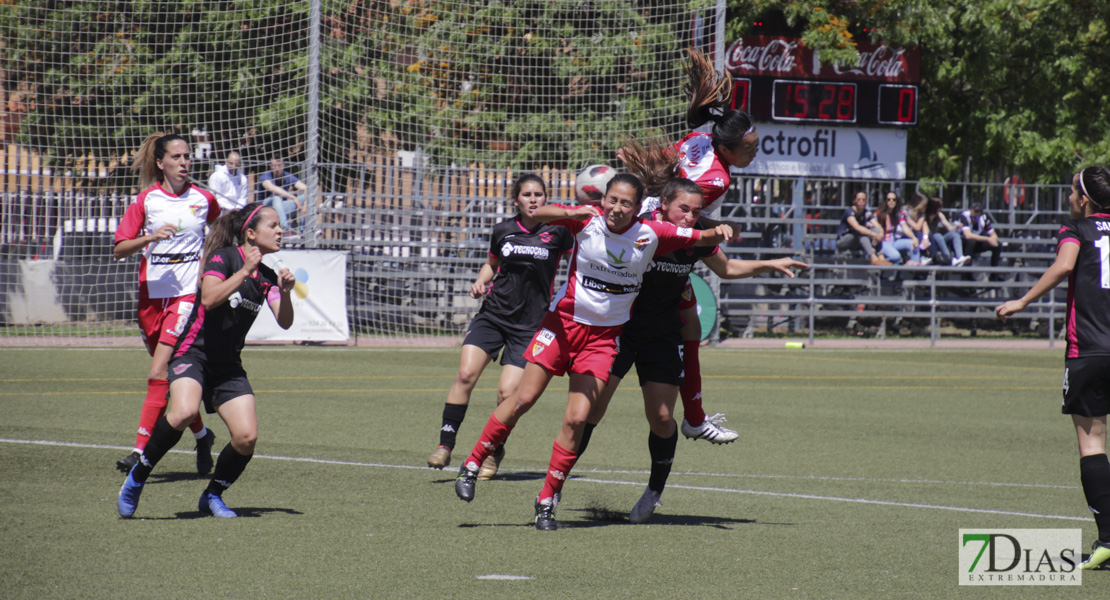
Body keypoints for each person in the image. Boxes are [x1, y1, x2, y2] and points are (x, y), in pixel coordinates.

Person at [452, 174, 733, 530]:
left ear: (637, 207)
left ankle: (545, 502)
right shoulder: (586, 221)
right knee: (523, 398)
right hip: (561, 327)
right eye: (611, 200)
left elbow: (699, 236)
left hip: (601, 341)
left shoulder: (652, 234)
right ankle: (473, 462)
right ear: (603, 199)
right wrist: (578, 209)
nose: (616, 208)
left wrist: (720, 230)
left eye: (625, 203)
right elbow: (541, 213)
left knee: (577, 418)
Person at [579, 179, 806, 523]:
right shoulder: (643, 227)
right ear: (664, 204)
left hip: (661, 334)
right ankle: (556, 483)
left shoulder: (698, 236)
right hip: (620, 328)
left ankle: (654, 492)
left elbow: (727, 269)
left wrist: (770, 263)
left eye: (696, 211)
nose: (689, 217)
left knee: (662, 418)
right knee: (592, 411)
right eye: (683, 209)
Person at [117, 202, 296, 519]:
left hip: (227, 366)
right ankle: (138, 478)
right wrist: (243, 272)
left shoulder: (267, 276)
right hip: (193, 353)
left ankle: (213, 495)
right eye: (274, 226)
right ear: (251, 234)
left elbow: (285, 321)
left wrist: (286, 292)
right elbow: (211, 298)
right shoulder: (223, 258)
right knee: (184, 412)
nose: (281, 231)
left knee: (246, 438)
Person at [616, 47, 756, 446]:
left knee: (691, 323)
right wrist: (716, 228)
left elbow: (668, 162)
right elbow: (688, 213)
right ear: (727, 149)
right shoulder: (717, 180)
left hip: (654, 223)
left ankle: (694, 416)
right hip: (660, 237)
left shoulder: (700, 137)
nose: (754, 151)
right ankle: (693, 418)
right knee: (678, 319)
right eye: (749, 148)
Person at [995, 166, 1110, 570]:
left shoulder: (1076, 230)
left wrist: (1021, 302)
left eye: (1069, 192)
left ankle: (1108, 541)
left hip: (1090, 351)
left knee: (1093, 443)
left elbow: (1064, 267)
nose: (1067, 199)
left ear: (1084, 199)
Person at [426, 174, 574, 480]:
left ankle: (494, 451)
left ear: (546, 199)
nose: (533, 199)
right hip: (493, 315)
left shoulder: (559, 232)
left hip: (531, 325)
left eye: (539, 194)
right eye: (527, 194)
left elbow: (579, 261)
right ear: (516, 200)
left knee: (508, 393)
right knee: (466, 374)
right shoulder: (504, 230)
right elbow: (492, 264)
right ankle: (445, 445)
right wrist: (482, 281)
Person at [113, 133, 218, 476]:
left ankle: (139, 451)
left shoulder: (203, 199)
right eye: (177, 156)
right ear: (161, 162)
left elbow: (221, 229)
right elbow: (120, 248)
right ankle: (202, 436)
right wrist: (149, 237)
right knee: (173, 379)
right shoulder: (146, 201)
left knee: (158, 372)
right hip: (151, 297)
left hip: (187, 296)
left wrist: (213, 266)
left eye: (187, 156)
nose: (185, 162)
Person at [836, 191, 889, 265]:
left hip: (857, 241)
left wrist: (881, 234)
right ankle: (873, 257)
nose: (861, 202)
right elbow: (857, 227)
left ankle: (881, 257)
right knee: (861, 233)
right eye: (859, 199)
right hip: (844, 240)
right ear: (854, 200)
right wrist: (874, 235)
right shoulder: (849, 212)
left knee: (875, 230)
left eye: (863, 200)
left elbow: (878, 225)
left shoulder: (866, 212)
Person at [258, 157, 307, 232]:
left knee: (306, 197)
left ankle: (305, 231)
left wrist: (305, 205)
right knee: (276, 196)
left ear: (283, 165)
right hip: (266, 209)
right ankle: (284, 229)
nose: (277, 168)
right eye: (274, 166)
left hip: (281, 210)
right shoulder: (265, 176)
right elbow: (272, 188)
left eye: (279, 165)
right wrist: (293, 197)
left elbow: (306, 188)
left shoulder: (287, 176)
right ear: (270, 166)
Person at [923, 195, 970, 266]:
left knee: (954, 234)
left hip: (939, 241)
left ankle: (960, 257)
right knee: (937, 235)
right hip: (929, 241)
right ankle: (949, 258)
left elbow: (949, 228)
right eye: (940, 206)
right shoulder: (924, 216)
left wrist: (957, 226)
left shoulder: (939, 215)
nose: (941, 207)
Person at [959, 202, 1002, 267]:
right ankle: (966, 275)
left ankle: (994, 275)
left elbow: (993, 234)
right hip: (963, 243)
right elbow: (968, 235)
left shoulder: (984, 218)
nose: (973, 219)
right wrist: (988, 239)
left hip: (977, 242)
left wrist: (994, 240)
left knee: (997, 245)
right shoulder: (964, 216)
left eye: (976, 218)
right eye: (972, 217)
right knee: (971, 242)